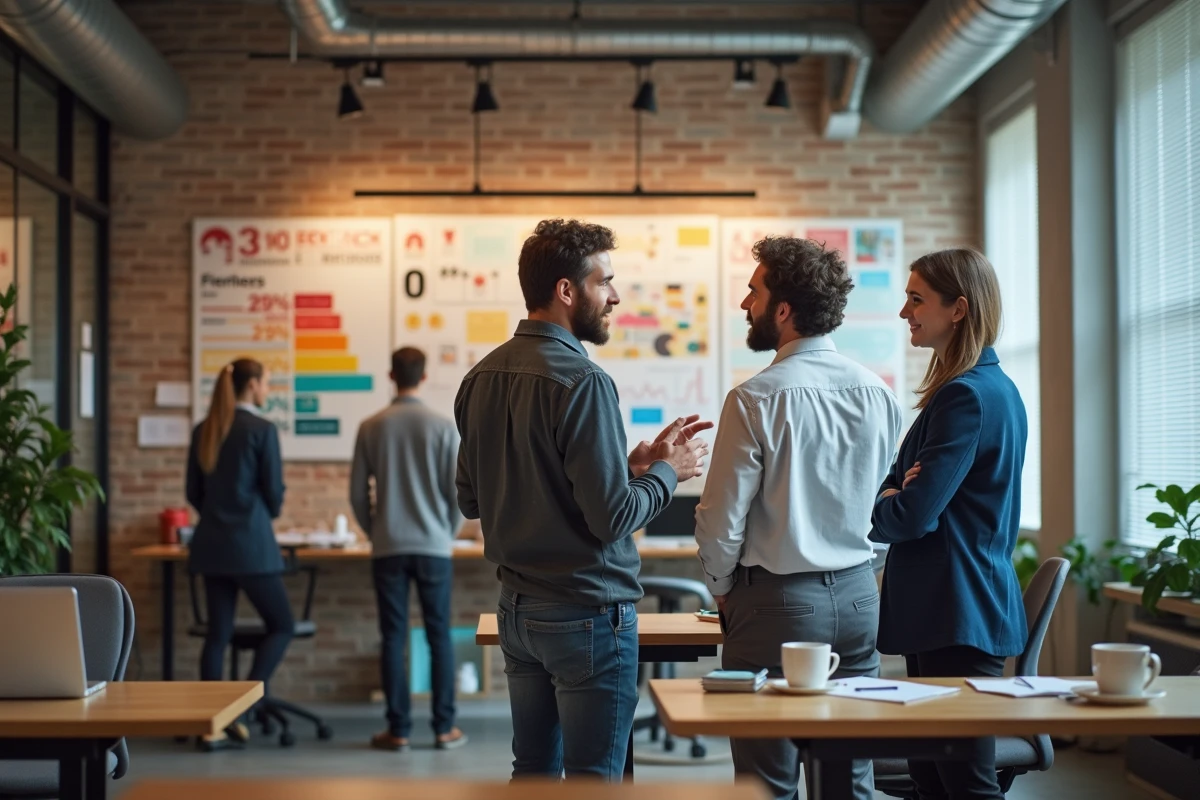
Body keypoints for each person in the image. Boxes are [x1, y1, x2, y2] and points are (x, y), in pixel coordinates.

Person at [454, 218, 711, 780]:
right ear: (567, 290)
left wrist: (625, 469)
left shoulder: (479, 377)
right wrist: (666, 473)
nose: (614, 296)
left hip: (518, 614)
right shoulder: (584, 381)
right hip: (586, 617)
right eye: (605, 282)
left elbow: (474, 500)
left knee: (533, 774)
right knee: (595, 780)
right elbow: (613, 517)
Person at [695, 237, 903, 800]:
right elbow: (881, 505)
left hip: (774, 606)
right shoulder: (879, 395)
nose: (745, 304)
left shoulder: (755, 398)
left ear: (783, 310)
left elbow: (721, 520)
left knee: (766, 782)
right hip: (860, 599)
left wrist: (722, 588)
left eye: (753, 292)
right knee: (849, 777)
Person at [870, 248, 1027, 800]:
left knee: (963, 783)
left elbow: (910, 515)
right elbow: (901, 486)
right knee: (933, 778)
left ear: (958, 309)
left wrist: (887, 498)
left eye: (917, 300)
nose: (904, 312)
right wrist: (895, 489)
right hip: (948, 609)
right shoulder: (985, 387)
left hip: (957, 608)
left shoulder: (966, 396)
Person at [351, 346, 468, 752]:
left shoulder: (371, 426)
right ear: (424, 376)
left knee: (392, 637)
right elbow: (457, 494)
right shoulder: (442, 426)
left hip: (388, 546)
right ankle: (444, 728)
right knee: (439, 636)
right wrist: (445, 533)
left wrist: (376, 531)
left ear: (390, 376)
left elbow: (357, 493)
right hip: (434, 546)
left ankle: (398, 730)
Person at [185, 358, 292, 751]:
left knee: (218, 634)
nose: (268, 390)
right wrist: (262, 515)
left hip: (211, 545)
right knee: (282, 624)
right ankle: (243, 707)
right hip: (251, 547)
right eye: (266, 383)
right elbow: (274, 493)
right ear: (252, 385)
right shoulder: (261, 430)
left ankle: (209, 725)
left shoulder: (205, 429)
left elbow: (193, 492)